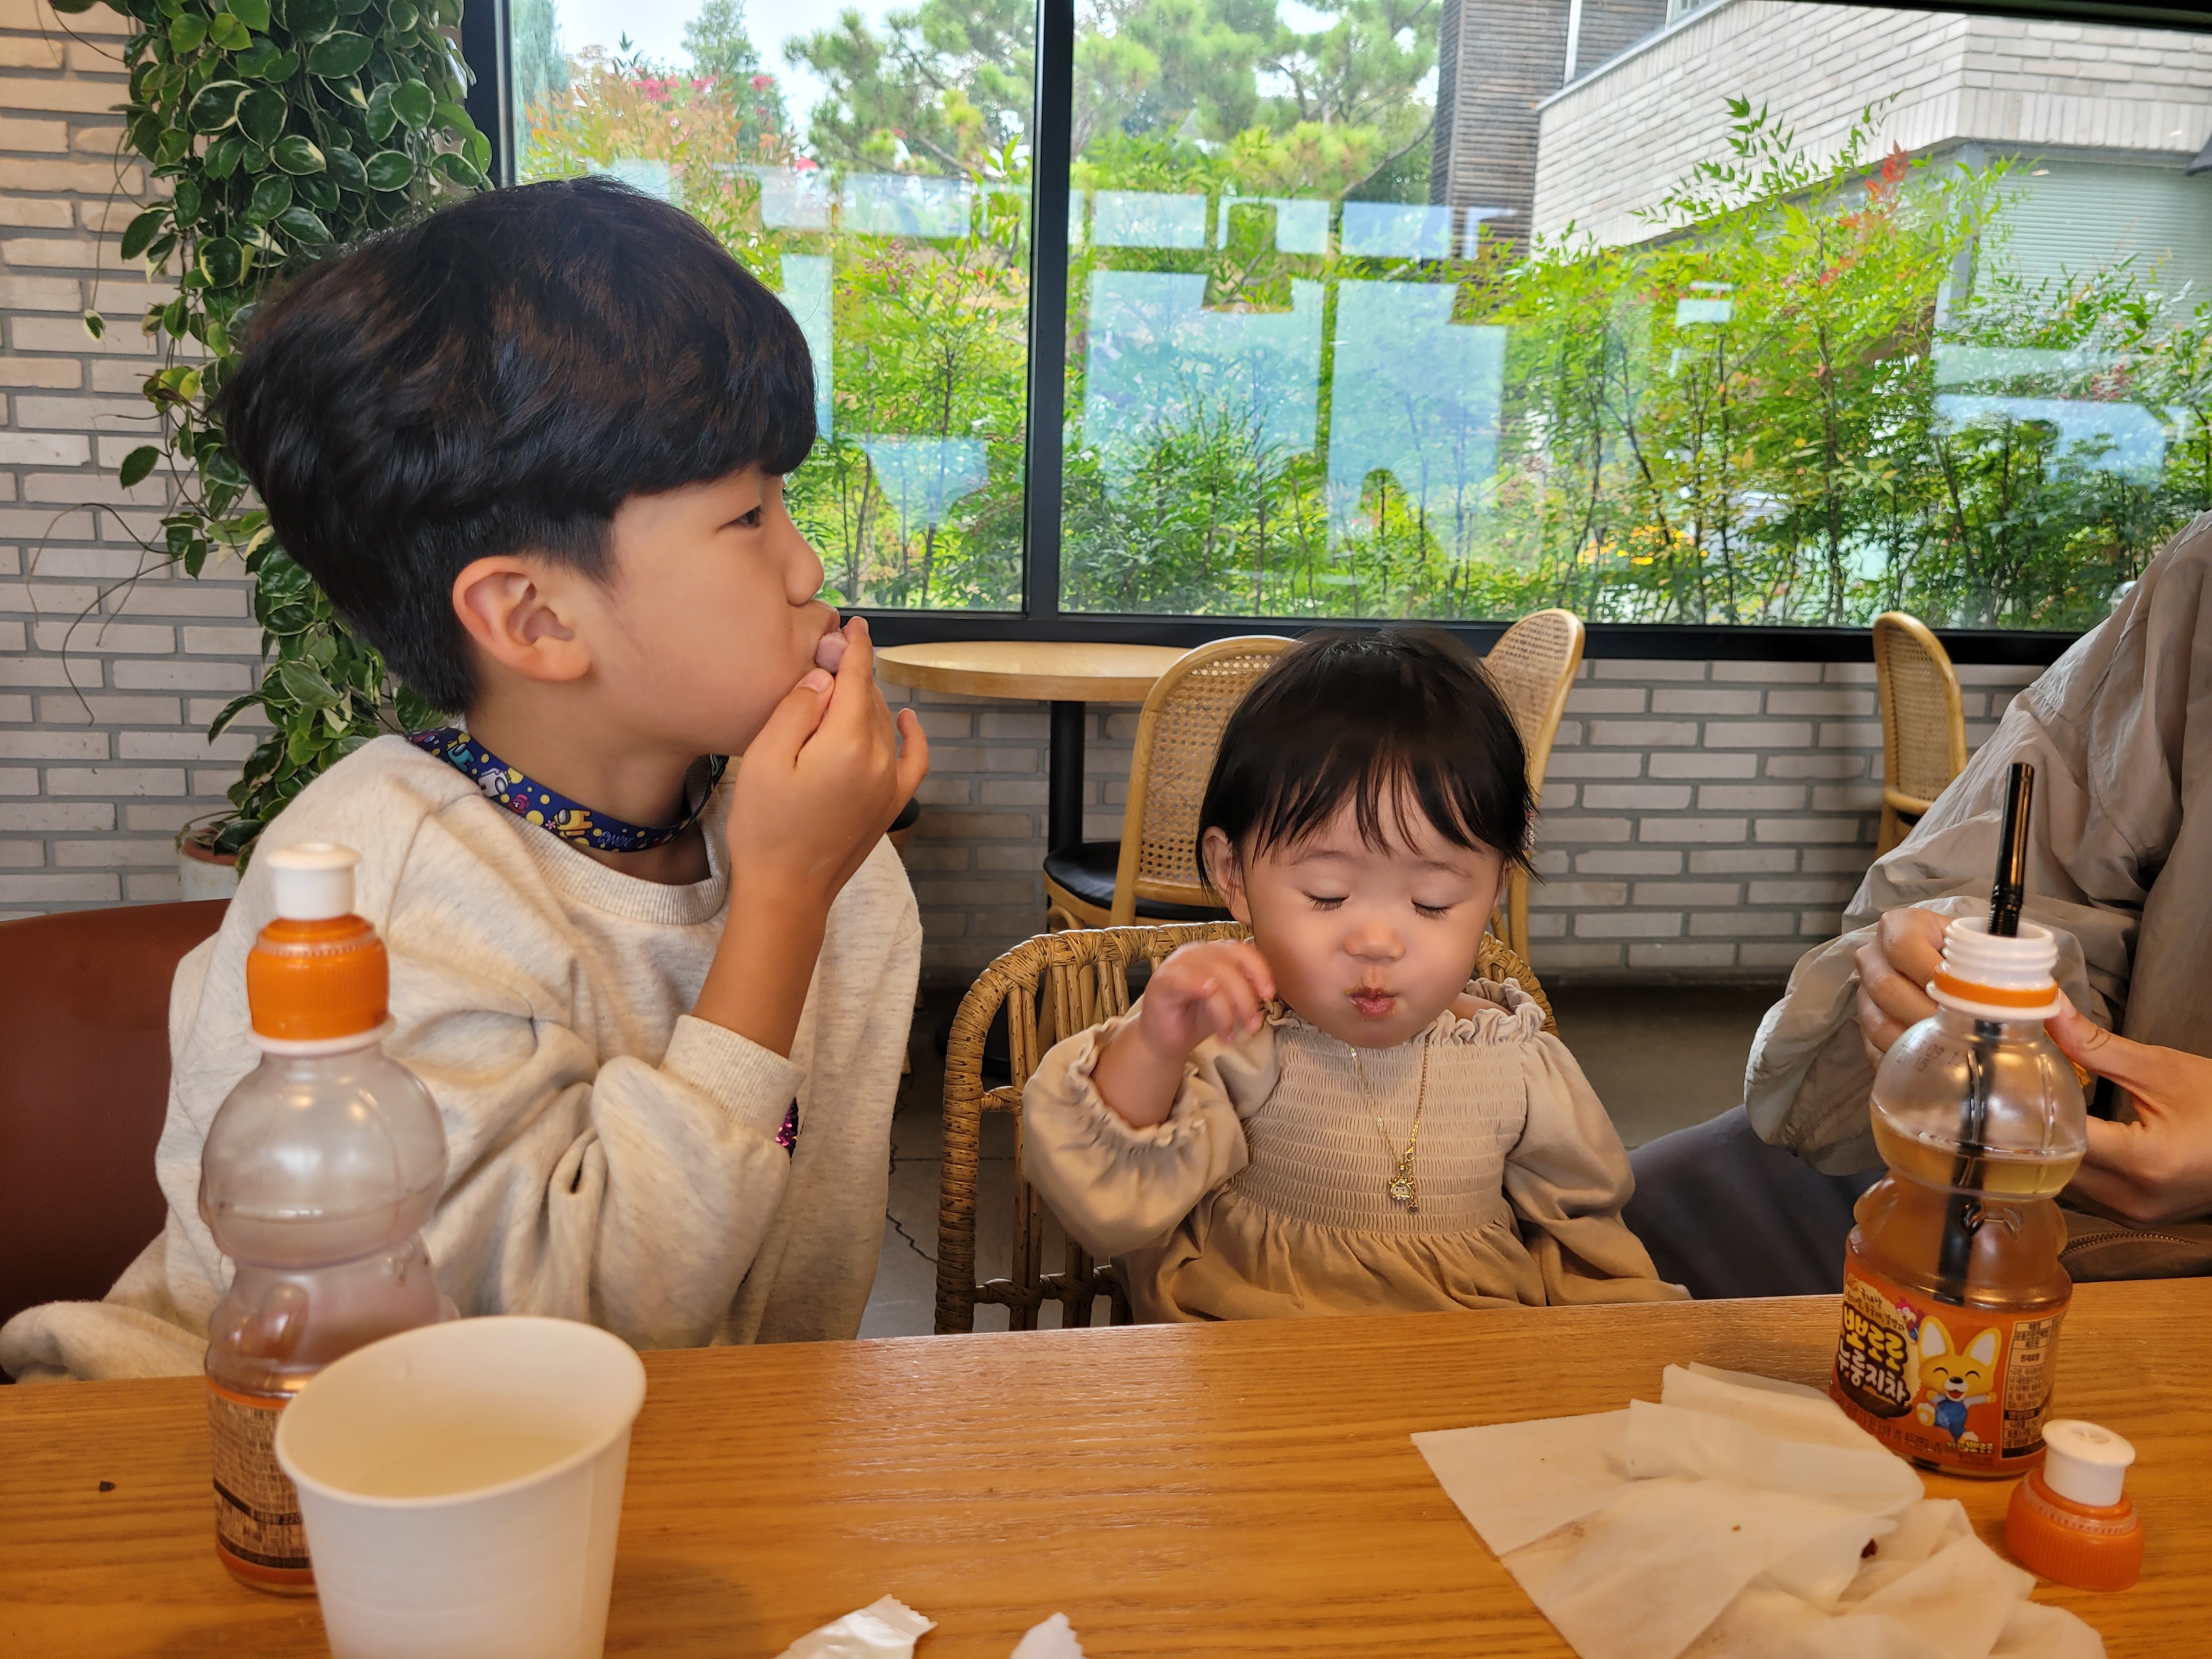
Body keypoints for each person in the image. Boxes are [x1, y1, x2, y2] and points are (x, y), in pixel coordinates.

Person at [0, 178, 929, 1382]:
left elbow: (774, 1335)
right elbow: (546, 1364)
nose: (807, 567)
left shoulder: (834, 858)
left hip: (706, 1461)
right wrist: (783, 901)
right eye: (749, 516)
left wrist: (806, 876)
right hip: (247, 1446)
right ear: (533, 617)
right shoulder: (376, 891)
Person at [1021, 629, 1685, 1321]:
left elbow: (1588, 1248)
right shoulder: (1231, 1039)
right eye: (1328, 895)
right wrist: (1155, 1045)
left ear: (1494, 889)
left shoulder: (1516, 1061)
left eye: (1432, 903)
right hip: (1254, 1360)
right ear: (1233, 873)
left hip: (1475, 1366)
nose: (1377, 942)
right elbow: (1103, 1203)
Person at [1626, 515, 2212, 1297]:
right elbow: (2023, 890)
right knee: (1626, 1213)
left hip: (2123, 1257)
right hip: (2015, 1152)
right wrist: (1931, 967)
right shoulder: (2201, 580)